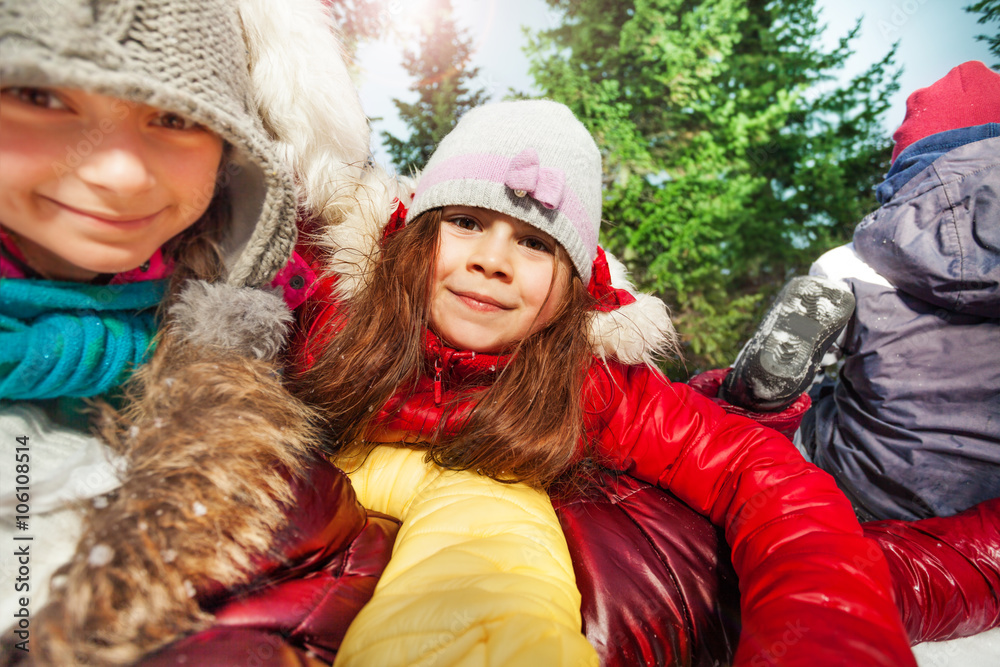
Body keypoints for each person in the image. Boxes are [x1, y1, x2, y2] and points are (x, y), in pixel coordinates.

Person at [291, 98, 917, 667]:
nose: (492, 261)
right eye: (465, 222)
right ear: (412, 231)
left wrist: (827, 637)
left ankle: (745, 401)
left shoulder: (586, 382)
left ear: (574, 285)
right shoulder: (334, 317)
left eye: (534, 242)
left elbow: (755, 472)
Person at [0, 0, 400, 664]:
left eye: (177, 118)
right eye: (44, 96)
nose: (120, 174)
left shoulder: (271, 327)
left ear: (234, 154)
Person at [710, 60, 1000, 522]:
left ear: (910, 163)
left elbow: (766, 386)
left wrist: (736, 394)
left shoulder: (852, 264)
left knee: (793, 419)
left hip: (858, 492)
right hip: (986, 520)